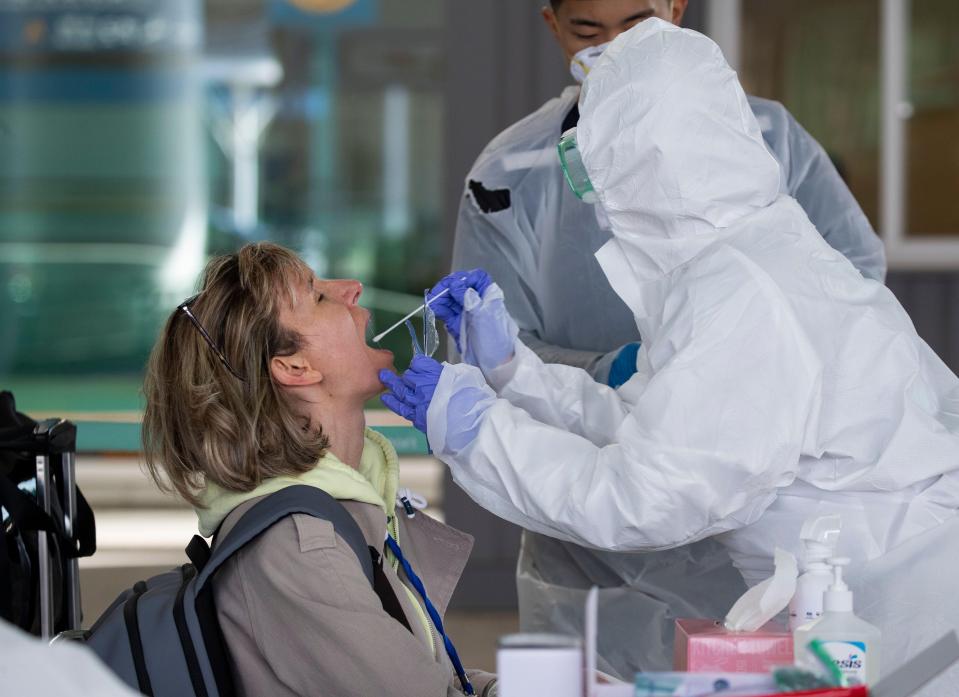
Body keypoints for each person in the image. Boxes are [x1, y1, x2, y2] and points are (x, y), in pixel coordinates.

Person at [383, 20, 959, 694]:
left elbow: (638, 495)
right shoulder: (746, 251)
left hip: (897, 614)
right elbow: (646, 420)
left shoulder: (737, 300)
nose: (589, 190)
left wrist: (482, 432)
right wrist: (515, 370)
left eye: (588, 162)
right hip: (873, 591)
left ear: (637, 164)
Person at [142, 242, 497, 697]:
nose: (353, 289)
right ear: (294, 366)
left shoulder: (344, 513)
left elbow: (435, 680)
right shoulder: (300, 547)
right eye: (319, 296)